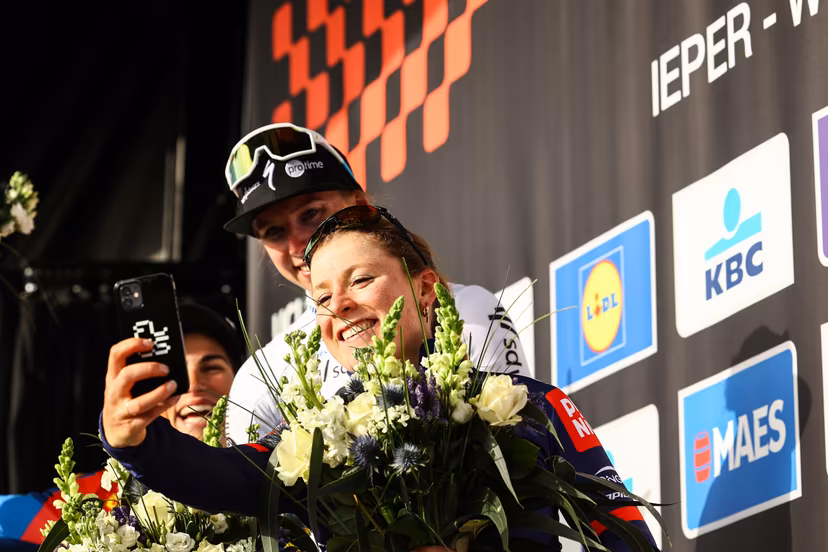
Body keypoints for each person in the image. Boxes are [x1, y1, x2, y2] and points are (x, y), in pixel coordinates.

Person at [100, 206, 658, 551]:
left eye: (361, 280)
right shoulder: (319, 440)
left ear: (425, 289)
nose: (339, 305)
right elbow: (221, 476)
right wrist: (132, 438)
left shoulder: (527, 403)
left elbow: (627, 536)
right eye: (321, 298)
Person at [221, 123, 531, 445]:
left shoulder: (466, 309)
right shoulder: (262, 375)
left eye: (310, 213)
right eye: (273, 232)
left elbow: (520, 442)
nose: (298, 243)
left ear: (359, 202)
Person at [0, 302, 244, 548]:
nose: (193, 383)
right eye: (176, 372)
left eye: (212, 368)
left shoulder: (267, 482)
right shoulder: (90, 500)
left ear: (241, 380)